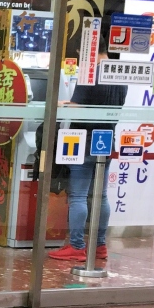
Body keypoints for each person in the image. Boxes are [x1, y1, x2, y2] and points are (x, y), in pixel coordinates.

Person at [50, 39, 127, 263]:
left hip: (84, 141)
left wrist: (62, 105)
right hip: (107, 140)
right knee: (101, 196)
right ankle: (100, 245)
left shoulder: (89, 73)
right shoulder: (119, 72)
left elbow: (78, 110)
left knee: (78, 195)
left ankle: (76, 246)